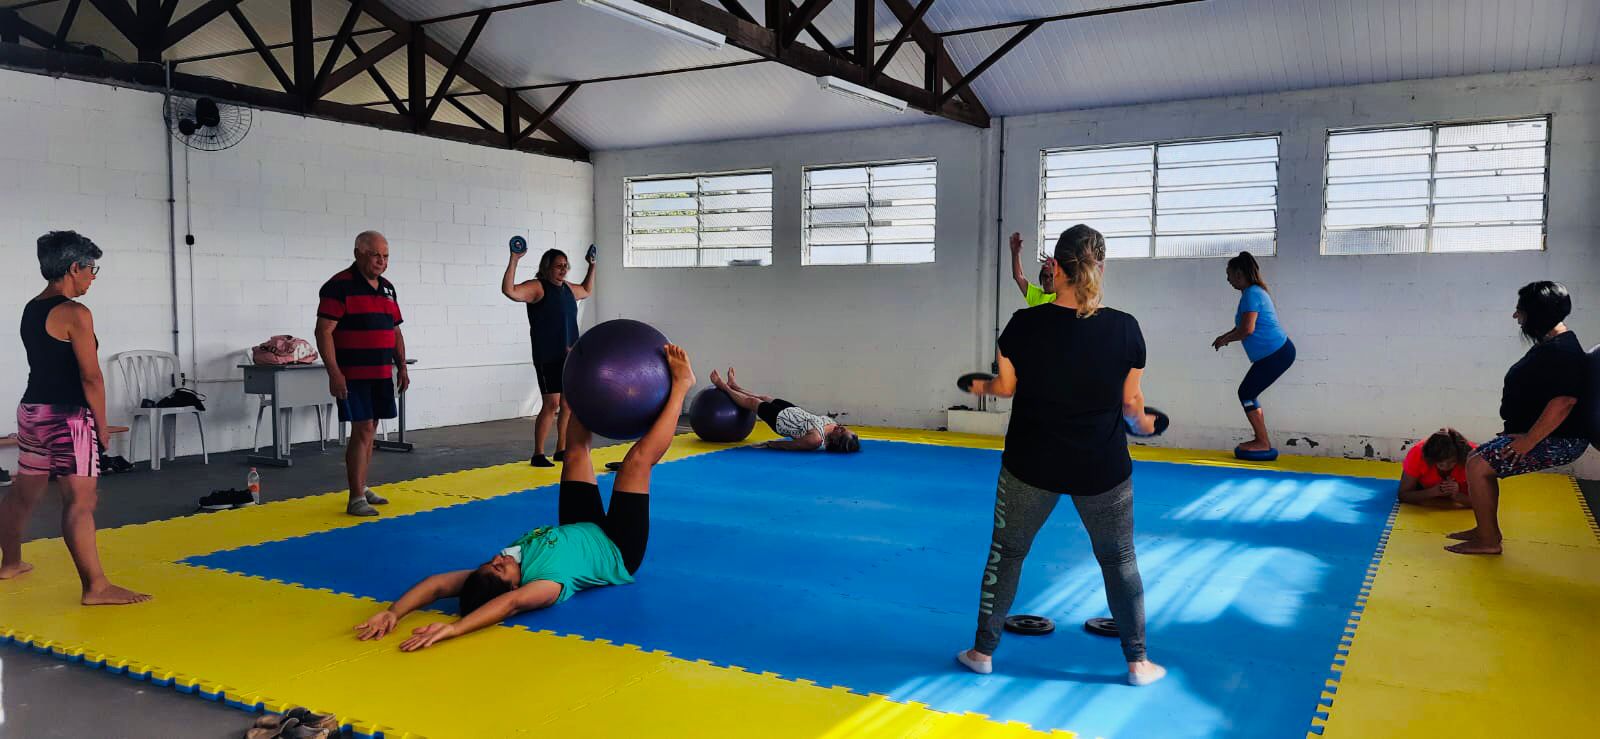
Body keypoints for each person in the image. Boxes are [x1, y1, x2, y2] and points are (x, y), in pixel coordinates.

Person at [352, 344, 695, 652]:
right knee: (635, 463)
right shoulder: (543, 587)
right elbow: (510, 606)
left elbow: (438, 585)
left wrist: (392, 612)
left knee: (574, 453)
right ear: (515, 585)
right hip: (617, 549)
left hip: (578, 527)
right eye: (500, 570)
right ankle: (681, 388)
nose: (498, 560)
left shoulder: (491, 572)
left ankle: (576, 391)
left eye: (491, 563)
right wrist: (454, 630)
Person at [957, 224, 1164, 686]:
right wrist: (1147, 426)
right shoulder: (1126, 329)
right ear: (1099, 266)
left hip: (1031, 462)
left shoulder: (1021, 325)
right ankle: (1137, 663)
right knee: (1120, 559)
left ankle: (982, 652)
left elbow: (1006, 389)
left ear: (1056, 266)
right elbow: (1133, 408)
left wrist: (980, 385)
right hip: (1103, 468)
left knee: (1006, 554)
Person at [0, 231, 149, 605]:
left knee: (23, 493)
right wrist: (100, 425)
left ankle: (10, 563)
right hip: (68, 417)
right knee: (82, 500)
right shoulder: (75, 313)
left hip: (33, 412)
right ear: (74, 268)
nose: (93, 277)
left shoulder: (32, 307)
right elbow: (91, 376)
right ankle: (96, 586)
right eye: (91, 269)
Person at [1447, 282, 1589, 555]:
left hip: (1561, 440)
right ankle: (1486, 530)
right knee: (1475, 460)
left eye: (1520, 310)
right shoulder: (1553, 344)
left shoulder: (1564, 351)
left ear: (1537, 313)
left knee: (1480, 468)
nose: (1516, 316)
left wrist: (1528, 440)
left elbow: (1564, 402)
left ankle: (1488, 542)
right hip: (1541, 434)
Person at [316, 231, 408, 517]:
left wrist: (402, 366)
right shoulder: (338, 286)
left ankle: (362, 485)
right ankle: (355, 497)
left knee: (371, 429)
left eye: (386, 256)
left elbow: (395, 331)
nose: (381, 261)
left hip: (381, 372)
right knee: (363, 429)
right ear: (358, 253)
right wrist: (334, 372)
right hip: (354, 373)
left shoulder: (388, 288)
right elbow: (324, 331)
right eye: (375, 255)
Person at [502, 247, 595, 467]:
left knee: (567, 404)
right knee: (551, 404)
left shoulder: (568, 290)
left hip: (570, 355)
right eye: (558, 266)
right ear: (547, 267)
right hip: (547, 356)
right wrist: (514, 259)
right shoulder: (538, 287)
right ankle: (538, 453)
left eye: (565, 265)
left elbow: (586, 290)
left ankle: (561, 449)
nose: (563, 269)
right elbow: (509, 290)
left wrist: (592, 265)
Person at [1211, 251, 1295, 456]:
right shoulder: (1252, 293)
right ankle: (1262, 440)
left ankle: (1262, 441)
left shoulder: (1252, 294)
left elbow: (1247, 330)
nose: (1228, 279)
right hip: (1276, 354)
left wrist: (1226, 339)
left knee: (1246, 393)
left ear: (1239, 274)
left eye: (1229, 274)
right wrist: (1225, 337)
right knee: (1248, 393)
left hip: (1277, 354)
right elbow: (1241, 326)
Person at [706, 368, 860, 453]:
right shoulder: (832, 425)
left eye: (841, 432)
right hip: (793, 411)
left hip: (781, 421)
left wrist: (771, 445)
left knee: (752, 402)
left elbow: (792, 445)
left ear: (836, 441)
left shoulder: (816, 440)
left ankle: (724, 387)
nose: (840, 427)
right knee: (764, 397)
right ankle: (735, 386)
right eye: (844, 428)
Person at [1398, 429, 1476, 506]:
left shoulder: (1473, 458)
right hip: (1423, 488)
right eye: (1440, 463)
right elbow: (1403, 495)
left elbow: (1485, 502)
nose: (1446, 466)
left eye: (1452, 462)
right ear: (1431, 459)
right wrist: (1432, 492)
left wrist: (1458, 496)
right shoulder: (1418, 454)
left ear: (1459, 458)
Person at [1008, 232, 1056, 307]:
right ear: (1041, 279)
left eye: (1051, 276)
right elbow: (1018, 276)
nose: (1048, 280)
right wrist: (1015, 253)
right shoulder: (1036, 297)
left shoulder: (1064, 297)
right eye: (1045, 276)